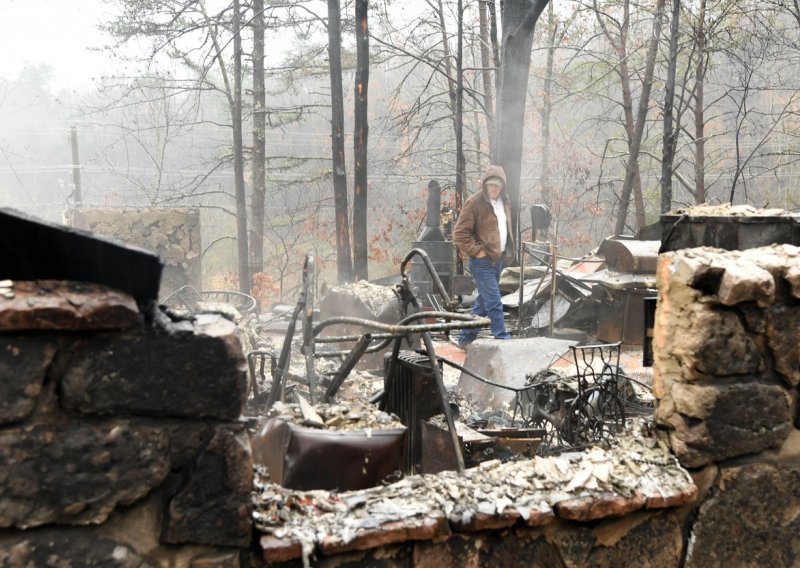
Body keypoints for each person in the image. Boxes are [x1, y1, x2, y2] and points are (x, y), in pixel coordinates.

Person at [453, 164, 515, 347]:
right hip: (482, 262)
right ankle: (502, 338)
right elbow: (459, 234)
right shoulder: (474, 202)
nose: (494, 188)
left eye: (497, 184)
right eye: (490, 184)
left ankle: (464, 339)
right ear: (485, 185)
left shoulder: (505, 200)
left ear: (502, 185)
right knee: (494, 301)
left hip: (498, 259)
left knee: (482, 304)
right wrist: (477, 251)